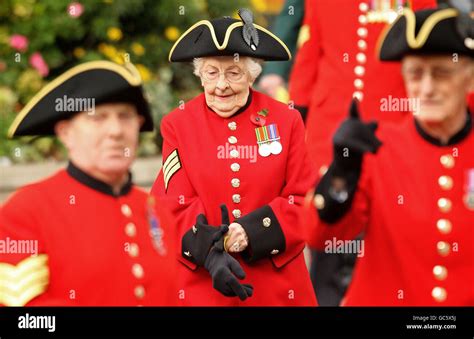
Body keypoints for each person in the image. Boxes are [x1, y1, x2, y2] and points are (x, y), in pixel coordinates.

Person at [306, 6, 474, 305]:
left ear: (470, 80)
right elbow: (320, 236)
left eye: (441, 74)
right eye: (415, 75)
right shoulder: (378, 149)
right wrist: (341, 176)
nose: (427, 88)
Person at [151, 9, 317, 306]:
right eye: (211, 72)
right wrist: (215, 246)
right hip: (205, 282)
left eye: (233, 72)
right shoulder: (177, 124)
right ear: (199, 74)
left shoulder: (286, 120)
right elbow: (172, 205)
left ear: (253, 74)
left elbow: (301, 198)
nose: (221, 85)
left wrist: (250, 231)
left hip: (277, 287)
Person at [288, 0, 438, 306]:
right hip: (330, 132)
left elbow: (425, 56)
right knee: (328, 230)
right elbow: (309, 57)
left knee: (388, 236)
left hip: (391, 131)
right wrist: (295, 120)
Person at [0, 61, 176, 306]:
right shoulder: (26, 210)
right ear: (65, 133)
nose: (115, 130)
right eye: (97, 118)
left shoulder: (158, 210)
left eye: (125, 116)